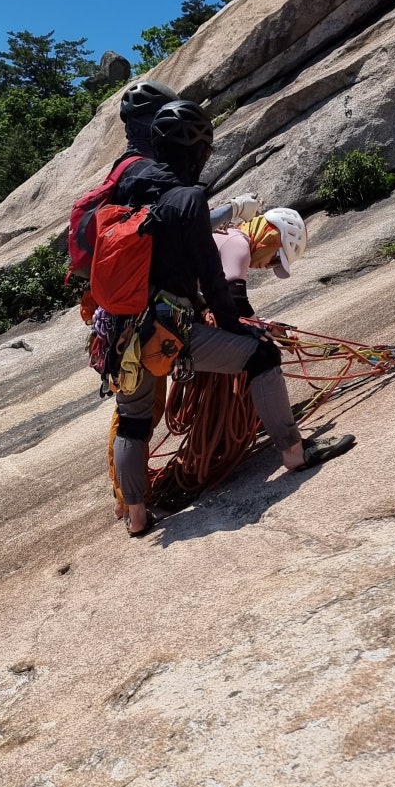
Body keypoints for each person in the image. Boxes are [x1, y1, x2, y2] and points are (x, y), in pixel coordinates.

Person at [107, 101, 353, 536]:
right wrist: (235, 325)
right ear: (199, 151)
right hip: (168, 327)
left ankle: (137, 517)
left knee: (133, 421)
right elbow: (212, 277)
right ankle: (295, 453)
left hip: (118, 332)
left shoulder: (128, 186)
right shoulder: (186, 199)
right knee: (260, 356)